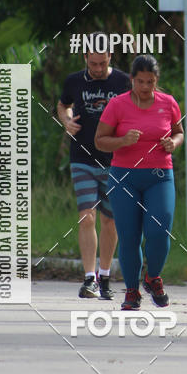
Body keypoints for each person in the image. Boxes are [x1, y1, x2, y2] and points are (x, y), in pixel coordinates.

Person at [95, 55, 183, 310]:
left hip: (159, 176)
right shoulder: (118, 105)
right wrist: (122, 141)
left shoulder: (168, 103)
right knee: (129, 236)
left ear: (157, 80)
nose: (145, 87)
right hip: (124, 177)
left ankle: (152, 276)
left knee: (159, 231)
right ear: (131, 80)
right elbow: (99, 140)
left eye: (151, 82)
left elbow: (179, 132)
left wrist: (173, 143)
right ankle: (132, 291)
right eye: (141, 82)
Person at [58, 48, 130, 299]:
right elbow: (63, 104)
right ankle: (89, 278)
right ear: (85, 59)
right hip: (82, 159)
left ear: (110, 56)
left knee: (110, 220)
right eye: (93, 63)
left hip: (115, 160)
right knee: (86, 217)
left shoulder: (123, 81)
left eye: (102, 63)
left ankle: (105, 274)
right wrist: (66, 121)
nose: (98, 68)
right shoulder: (74, 81)